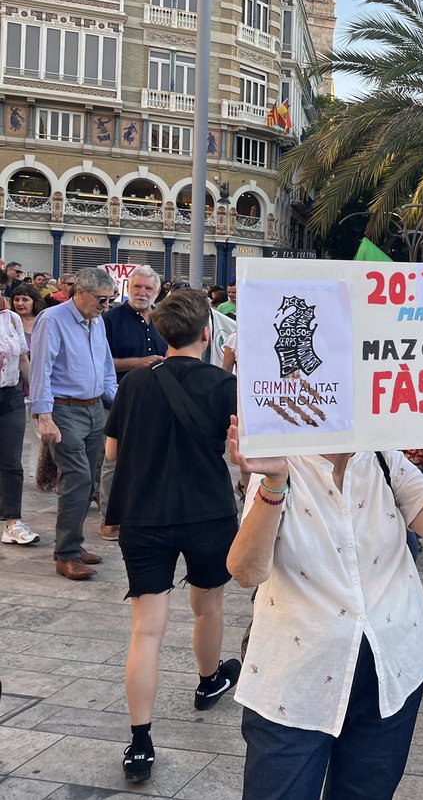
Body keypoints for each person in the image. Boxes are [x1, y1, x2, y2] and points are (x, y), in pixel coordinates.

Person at [226, 418, 423, 799]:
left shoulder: (383, 459)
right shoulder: (281, 461)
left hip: (391, 668)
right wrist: (273, 484)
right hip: (295, 684)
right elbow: (247, 571)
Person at [103, 288, 240, 784]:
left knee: (146, 631)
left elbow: (114, 453)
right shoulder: (226, 385)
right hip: (207, 514)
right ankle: (208, 681)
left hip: (145, 517)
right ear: (207, 332)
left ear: (162, 333)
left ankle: (140, 741)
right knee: (208, 606)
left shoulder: (137, 384)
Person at [30, 267, 119, 580]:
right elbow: (41, 369)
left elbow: (107, 367)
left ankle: (74, 544)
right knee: (78, 478)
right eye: (102, 300)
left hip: (95, 409)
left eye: (110, 300)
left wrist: (117, 402)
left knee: (91, 480)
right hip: (64, 411)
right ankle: (65, 554)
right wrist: (44, 417)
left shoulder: (97, 322)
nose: (106, 306)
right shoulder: (52, 320)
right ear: (80, 292)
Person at [99, 265, 168, 541]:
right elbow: (102, 362)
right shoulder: (111, 320)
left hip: (160, 398)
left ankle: (146, 515)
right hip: (121, 398)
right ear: (128, 288)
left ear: (157, 291)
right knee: (113, 460)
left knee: (155, 458)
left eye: (148, 288)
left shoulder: (165, 320)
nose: (142, 292)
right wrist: (139, 363)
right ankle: (109, 519)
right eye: (137, 287)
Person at [0, 292, 34, 545]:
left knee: (12, 462)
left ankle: (13, 522)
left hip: (10, 394)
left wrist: (39, 392)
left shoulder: (11, 319)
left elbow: (23, 358)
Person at [11, 282, 45, 359]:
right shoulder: (9, 322)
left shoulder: (43, 321)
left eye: (25, 300)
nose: (19, 303)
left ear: (35, 301)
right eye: (16, 299)